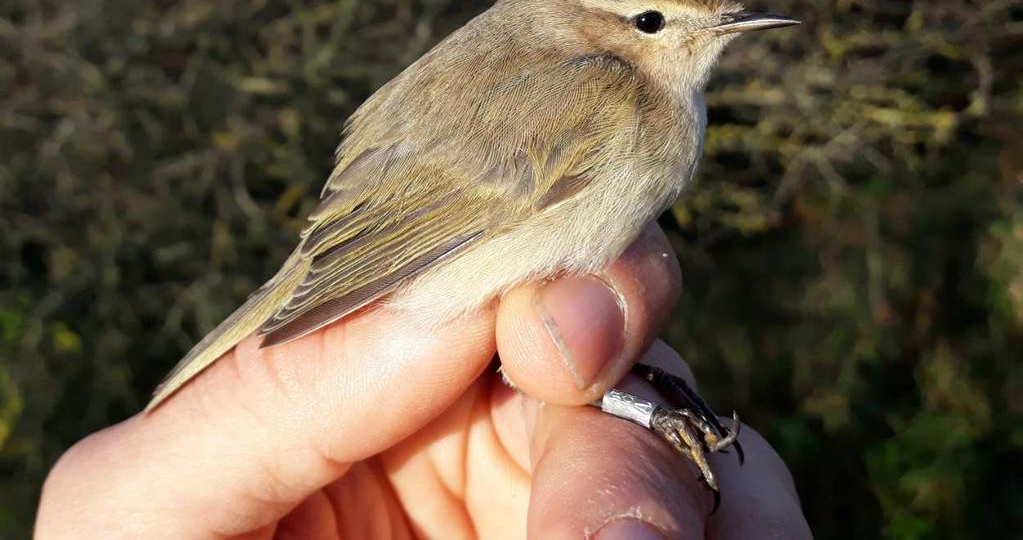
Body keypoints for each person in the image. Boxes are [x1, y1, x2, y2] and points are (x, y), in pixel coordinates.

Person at [35, 224, 812, 539]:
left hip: (468, 349)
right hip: (423, 261)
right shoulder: (609, 98)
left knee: (557, 351)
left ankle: (612, 396)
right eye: (650, 22)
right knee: (554, 349)